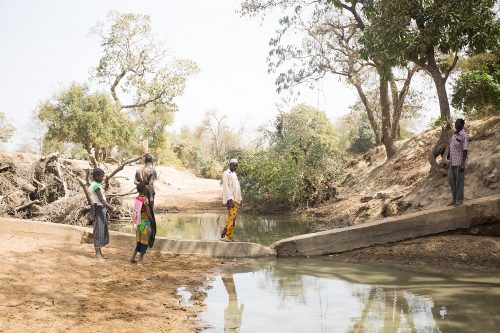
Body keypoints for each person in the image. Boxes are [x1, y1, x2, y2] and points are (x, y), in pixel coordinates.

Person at [89, 168, 115, 260]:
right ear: (96, 176)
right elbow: (101, 200)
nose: (102, 178)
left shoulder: (95, 184)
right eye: (101, 176)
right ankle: (97, 254)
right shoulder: (95, 185)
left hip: (100, 208)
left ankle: (99, 253)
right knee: (98, 230)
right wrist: (113, 208)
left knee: (101, 229)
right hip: (99, 208)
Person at [134, 154, 157, 247]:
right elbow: (151, 184)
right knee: (150, 216)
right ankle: (149, 240)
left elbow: (135, 182)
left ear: (144, 161)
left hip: (140, 195)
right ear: (151, 162)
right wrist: (151, 196)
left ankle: (139, 239)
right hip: (148, 195)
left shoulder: (138, 170)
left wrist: (141, 185)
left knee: (139, 216)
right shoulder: (152, 170)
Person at [130, 182, 154, 265]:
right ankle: (140, 260)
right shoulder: (145, 200)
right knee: (144, 241)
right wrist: (152, 220)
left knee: (139, 240)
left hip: (139, 222)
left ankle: (133, 257)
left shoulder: (137, 198)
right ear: (145, 189)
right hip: (145, 222)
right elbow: (148, 212)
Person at [447, 118, 468, 206]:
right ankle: (454, 199)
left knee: (459, 182)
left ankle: (459, 201)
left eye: (457, 123)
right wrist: (448, 154)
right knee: (451, 180)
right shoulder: (454, 134)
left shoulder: (464, 135)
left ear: (462, 125)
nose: (455, 125)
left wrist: (463, 164)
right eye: (455, 123)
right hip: (452, 162)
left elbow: (465, 150)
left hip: (459, 162)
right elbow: (451, 145)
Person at [221, 158, 242, 242]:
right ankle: (225, 236)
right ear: (230, 164)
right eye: (234, 165)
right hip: (231, 200)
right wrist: (229, 200)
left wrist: (240, 199)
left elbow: (238, 187)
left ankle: (229, 236)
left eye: (237, 165)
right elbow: (225, 188)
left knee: (233, 219)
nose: (236, 167)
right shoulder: (226, 174)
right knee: (231, 218)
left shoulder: (234, 174)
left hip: (236, 200)